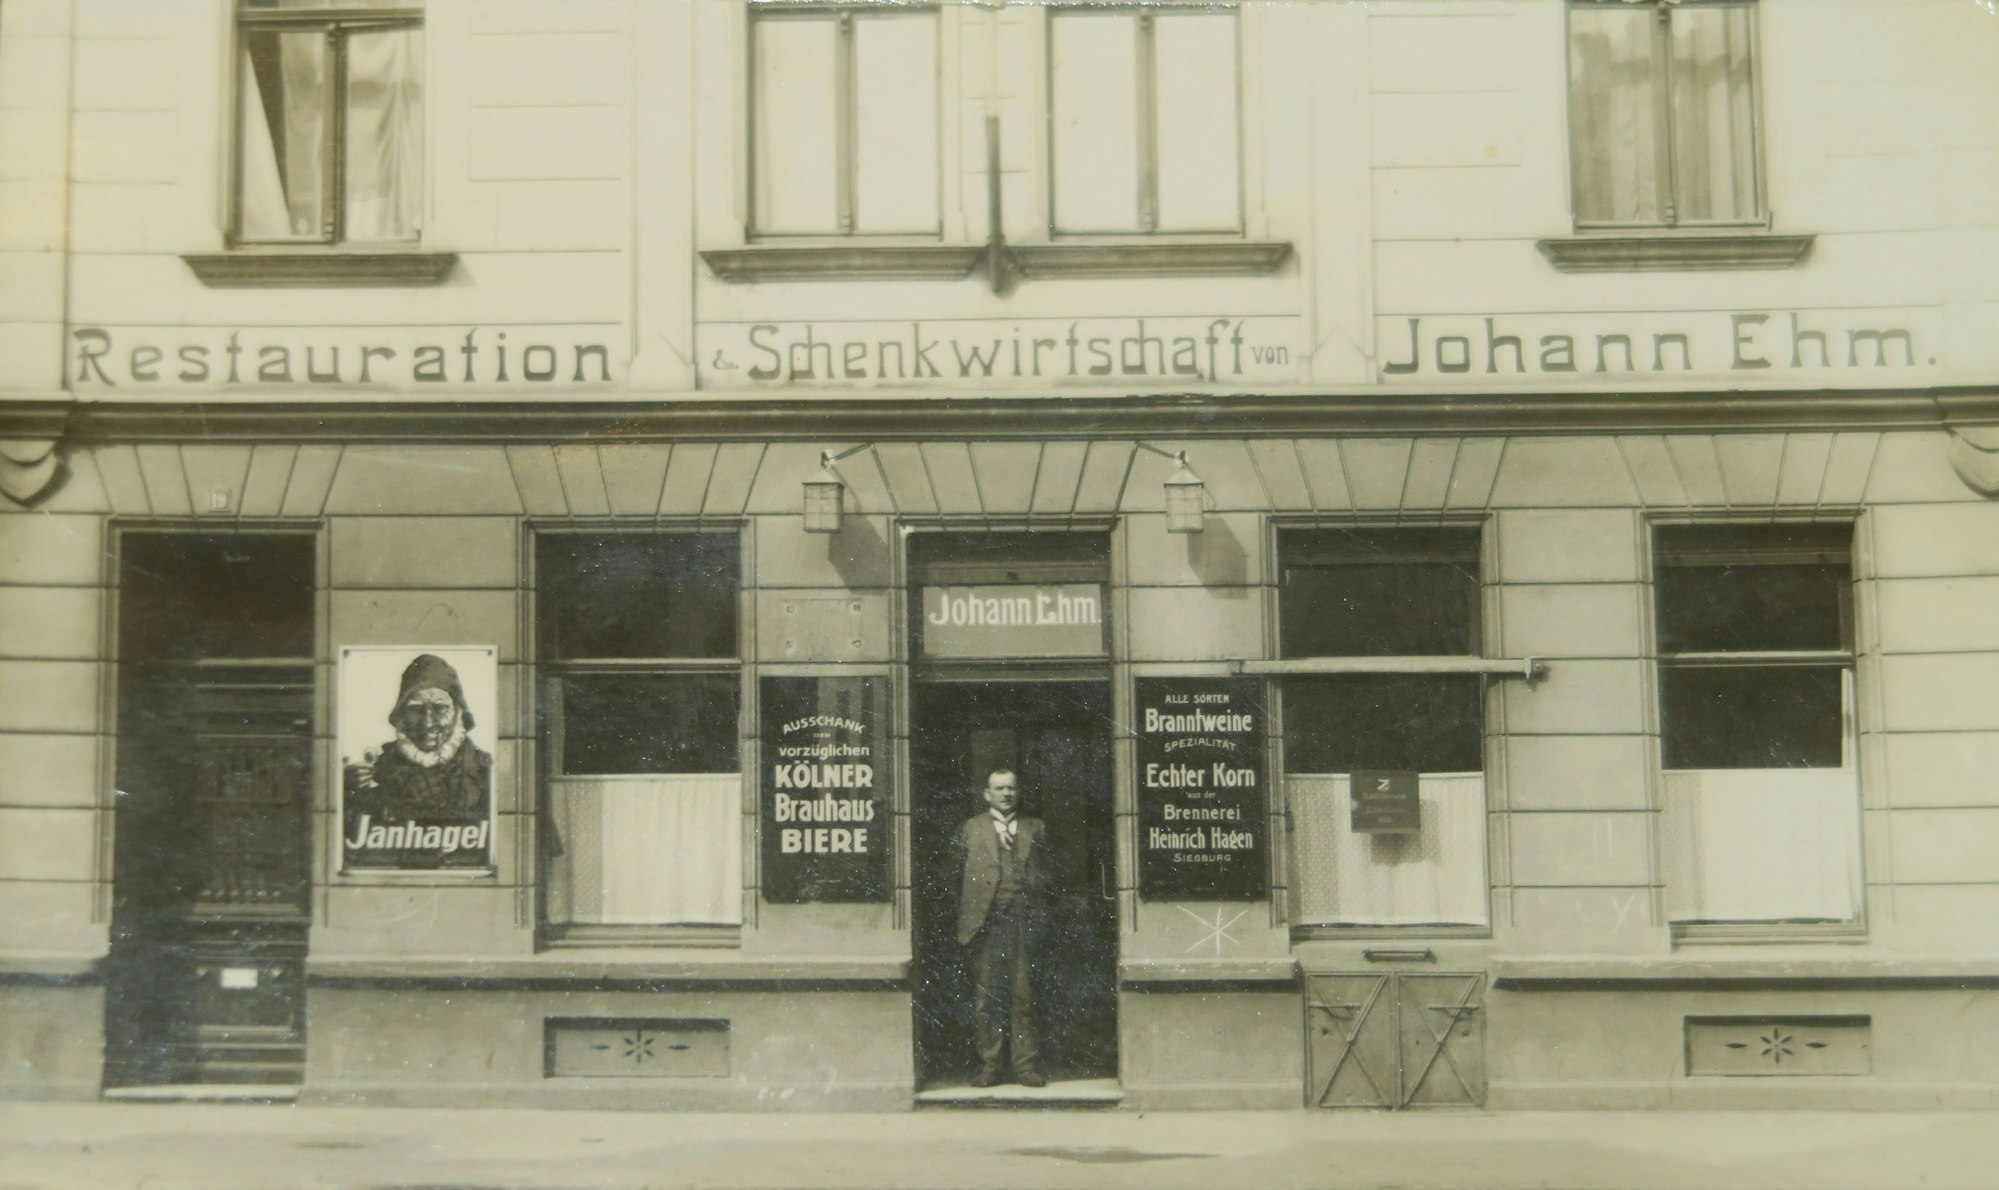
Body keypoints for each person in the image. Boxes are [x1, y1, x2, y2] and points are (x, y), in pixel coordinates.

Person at [956, 768, 1049, 1088]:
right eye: (999, 789)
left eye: (1011, 788)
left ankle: (1025, 1067)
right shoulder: (971, 829)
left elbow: (1051, 877)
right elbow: (954, 877)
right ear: (987, 794)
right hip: (987, 924)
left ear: (1018, 792)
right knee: (987, 997)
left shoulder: (1036, 828)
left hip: (1024, 922)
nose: (1006, 794)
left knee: (1024, 995)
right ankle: (989, 1066)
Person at [343, 653, 492, 817]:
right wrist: (347, 790)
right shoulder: (380, 769)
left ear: (458, 713)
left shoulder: (485, 770)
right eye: (416, 709)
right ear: (401, 715)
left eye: (439, 708)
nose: (427, 723)